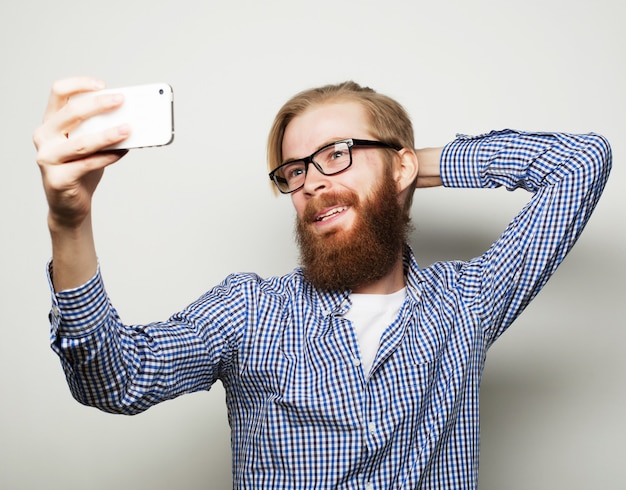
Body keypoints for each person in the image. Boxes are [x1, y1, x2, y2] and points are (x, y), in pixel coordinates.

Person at [33, 77, 612, 489]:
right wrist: (69, 219)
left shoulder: (468, 302)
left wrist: (402, 167)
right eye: (295, 170)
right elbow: (114, 380)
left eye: (336, 154)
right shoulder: (249, 311)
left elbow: (581, 163)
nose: (311, 181)